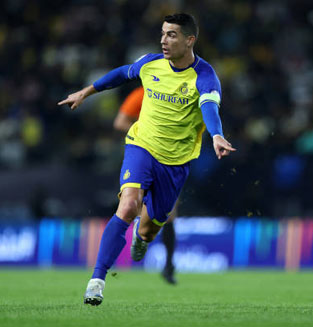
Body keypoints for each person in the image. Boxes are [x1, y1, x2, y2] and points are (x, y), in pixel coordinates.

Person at [58, 13, 235, 306]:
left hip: (175, 162)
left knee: (148, 228)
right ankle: (97, 281)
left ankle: (143, 239)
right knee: (127, 206)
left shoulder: (204, 76)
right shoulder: (150, 63)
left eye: (172, 35)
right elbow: (121, 74)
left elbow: (210, 108)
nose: (164, 40)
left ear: (190, 40)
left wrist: (216, 134)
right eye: (163, 33)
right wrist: (86, 92)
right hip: (141, 146)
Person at [114, 86, 178, 285]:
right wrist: (147, 131)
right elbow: (120, 122)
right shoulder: (141, 94)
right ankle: (116, 258)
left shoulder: (175, 95)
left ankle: (168, 265)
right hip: (141, 157)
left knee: (170, 213)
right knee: (132, 206)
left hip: (169, 158)